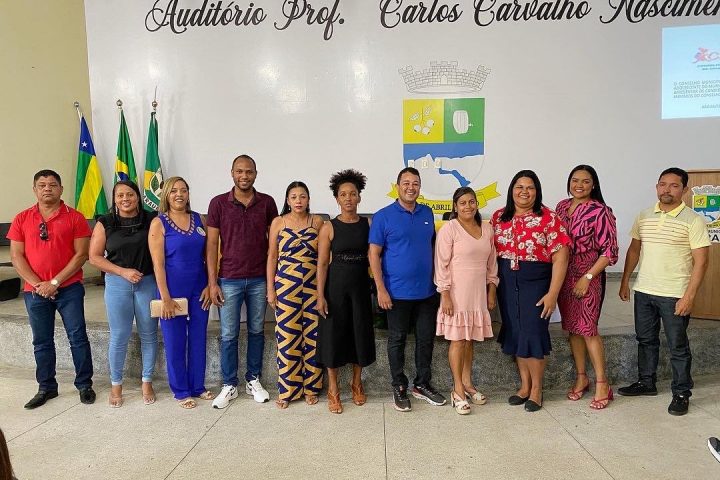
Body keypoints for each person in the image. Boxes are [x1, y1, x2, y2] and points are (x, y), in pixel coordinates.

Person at [618, 167, 710, 416]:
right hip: (644, 290)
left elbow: (701, 262)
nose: (666, 189)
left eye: (674, 185)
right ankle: (646, 382)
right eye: (662, 184)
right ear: (656, 187)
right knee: (645, 339)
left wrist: (689, 296)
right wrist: (625, 280)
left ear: (685, 190)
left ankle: (681, 393)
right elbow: (634, 250)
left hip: (674, 294)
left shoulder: (693, 220)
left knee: (678, 346)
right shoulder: (644, 215)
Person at [7, 169, 95, 409]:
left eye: (53, 184)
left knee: (77, 337)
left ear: (61, 189)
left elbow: (81, 255)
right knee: (42, 341)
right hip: (34, 291)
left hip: (69, 289)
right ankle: (46, 387)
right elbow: (16, 256)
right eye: (42, 185)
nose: (47, 188)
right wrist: (39, 285)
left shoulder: (75, 217)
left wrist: (54, 283)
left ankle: (84, 385)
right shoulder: (22, 218)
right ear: (34, 189)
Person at [491, 170, 570, 412]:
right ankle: (524, 386)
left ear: (537, 191)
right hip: (507, 282)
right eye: (519, 187)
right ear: (511, 190)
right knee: (516, 332)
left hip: (536, 282)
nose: (524, 191)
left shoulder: (549, 217)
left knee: (533, 333)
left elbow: (561, 257)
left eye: (530, 187)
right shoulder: (499, 217)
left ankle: (537, 389)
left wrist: (553, 293)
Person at [369, 167, 446, 412]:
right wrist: (381, 289)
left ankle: (422, 384)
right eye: (406, 183)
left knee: (425, 340)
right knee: (397, 340)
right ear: (397, 186)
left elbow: (432, 248)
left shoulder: (427, 213)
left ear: (419, 187)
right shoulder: (383, 216)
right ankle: (399, 385)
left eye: (415, 183)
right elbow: (373, 254)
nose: (410, 187)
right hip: (396, 293)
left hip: (427, 292)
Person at [207, 155, 278, 408]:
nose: (244, 176)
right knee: (229, 334)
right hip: (228, 279)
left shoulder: (267, 203)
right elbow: (211, 245)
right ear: (232, 173)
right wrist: (213, 282)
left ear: (256, 174)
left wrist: (273, 280)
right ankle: (229, 385)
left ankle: (252, 380)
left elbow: (274, 244)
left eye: (249, 172)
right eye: (239, 171)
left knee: (257, 330)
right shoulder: (218, 203)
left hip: (259, 278)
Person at [89, 181, 158, 407]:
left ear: (138, 197)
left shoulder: (152, 219)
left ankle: (146, 381)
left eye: (130, 194)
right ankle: (116, 384)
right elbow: (94, 257)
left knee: (149, 334)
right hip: (117, 282)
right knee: (119, 335)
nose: (125, 199)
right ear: (114, 199)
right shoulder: (105, 222)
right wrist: (123, 272)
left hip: (147, 282)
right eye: (120, 195)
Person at [555, 165, 619, 410]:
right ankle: (582, 377)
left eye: (585, 181)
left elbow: (609, 251)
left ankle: (602, 383)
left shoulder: (600, 211)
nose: (579, 185)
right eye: (575, 180)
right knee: (573, 329)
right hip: (564, 274)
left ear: (594, 185)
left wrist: (588, 276)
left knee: (588, 328)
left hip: (589, 274)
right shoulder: (562, 207)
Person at [148, 177, 214, 409]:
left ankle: (197, 386)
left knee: (198, 337)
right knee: (175, 341)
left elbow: (210, 255)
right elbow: (158, 265)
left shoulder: (200, 219)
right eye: (174, 191)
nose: (179, 194)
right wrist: (165, 297)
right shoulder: (159, 223)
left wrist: (210, 284)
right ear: (166, 195)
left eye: (183, 190)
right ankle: (181, 391)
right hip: (172, 290)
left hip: (200, 288)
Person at [316, 169, 376, 414]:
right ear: (337, 199)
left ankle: (356, 383)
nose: (348, 198)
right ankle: (333, 389)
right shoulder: (328, 227)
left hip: (360, 286)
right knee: (333, 336)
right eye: (343, 194)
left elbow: (374, 257)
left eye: (353, 193)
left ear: (359, 197)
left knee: (359, 334)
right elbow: (322, 263)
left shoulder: (367, 224)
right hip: (335, 287)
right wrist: (320, 295)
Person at [435, 187, 499, 415]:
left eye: (471, 202)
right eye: (462, 203)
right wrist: (445, 294)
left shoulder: (487, 228)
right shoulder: (449, 229)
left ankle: (468, 383)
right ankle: (458, 390)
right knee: (458, 340)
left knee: (470, 339)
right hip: (456, 294)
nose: (467, 206)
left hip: (477, 294)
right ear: (455, 206)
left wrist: (491, 290)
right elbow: (441, 264)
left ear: (476, 204)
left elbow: (492, 263)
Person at [267, 181, 324, 409]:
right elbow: (272, 257)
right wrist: (271, 290)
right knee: (287, 337)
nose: (298, 201)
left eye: (302, 196)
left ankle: (312, 388)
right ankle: (288, 390)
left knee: (313, 338)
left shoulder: (317, 222)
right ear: (287, 200)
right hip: (285, 287)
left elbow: (324, 259)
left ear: (308, 199)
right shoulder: (278, 222)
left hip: (312, 287)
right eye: (293, 197)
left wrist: (322, 291)